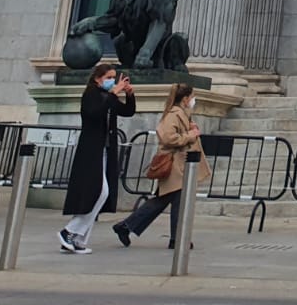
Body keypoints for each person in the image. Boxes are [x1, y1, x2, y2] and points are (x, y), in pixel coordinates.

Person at [113, 82, 205, 249]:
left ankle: (128, 226)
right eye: (191, 97)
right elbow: (168, 137)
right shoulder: (174, 114)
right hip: (175, 163)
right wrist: (190, 135)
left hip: (180, 164)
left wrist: (190, 130)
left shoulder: (181, 114)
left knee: (166, 199)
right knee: (175, 199)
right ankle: (177, 238)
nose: (193, 100)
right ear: (185, 99)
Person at [58, 62, 135, 253]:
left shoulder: (108, 97)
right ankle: (70, 231)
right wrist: (113, 93)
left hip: (104, 149)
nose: (112, 81)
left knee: (101, 194)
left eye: (113, 77)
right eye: (108, 77)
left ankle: (78, 238)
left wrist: (129, 94)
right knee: (99, 192)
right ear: (97, 78)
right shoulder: (91, 95)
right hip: (91, 149)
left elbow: (127, 111)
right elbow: (94, 113)